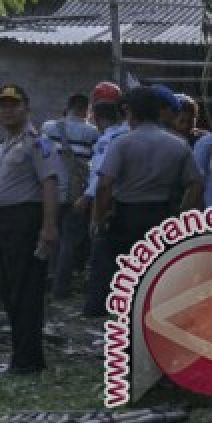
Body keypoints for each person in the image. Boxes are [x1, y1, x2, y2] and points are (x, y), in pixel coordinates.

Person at [92, 87, 202, 303]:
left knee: (125, 277)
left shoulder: (122, 143)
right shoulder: (178, 144)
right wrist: (182, 213)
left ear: (131, 112)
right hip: (161, 215)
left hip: (125, 217)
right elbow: (196, 183)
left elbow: (104, 185)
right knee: (155, 278)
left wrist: (99, 218)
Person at [0, 83, 59, 375]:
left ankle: (27, 361)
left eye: (12, 105)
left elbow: (49, 184)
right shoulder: (4, 144)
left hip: (25, 221)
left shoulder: (37, 142)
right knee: (8, 291)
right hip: (2, 222)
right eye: (1, 106)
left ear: (26, 108)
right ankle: (21, 356)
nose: (6, 110)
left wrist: (49, 227)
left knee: (26, 291)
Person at [41, 93, 98, 297]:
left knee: (48, 236)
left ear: (69, 106)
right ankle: (60, 288)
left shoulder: (49, 127)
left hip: (51, 189)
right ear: (86, 109)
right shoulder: (92, 132)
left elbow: (43, 154)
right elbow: (95, 164)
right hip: (77, 194)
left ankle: (44, 281)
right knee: (69, 242)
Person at [80, 99, 128, 316]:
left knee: (101, 252)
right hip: (127, 202)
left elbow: (101, 177)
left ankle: (98, 304)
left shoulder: (110, 139)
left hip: (107, 201)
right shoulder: (125, 133)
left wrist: (90, 202)